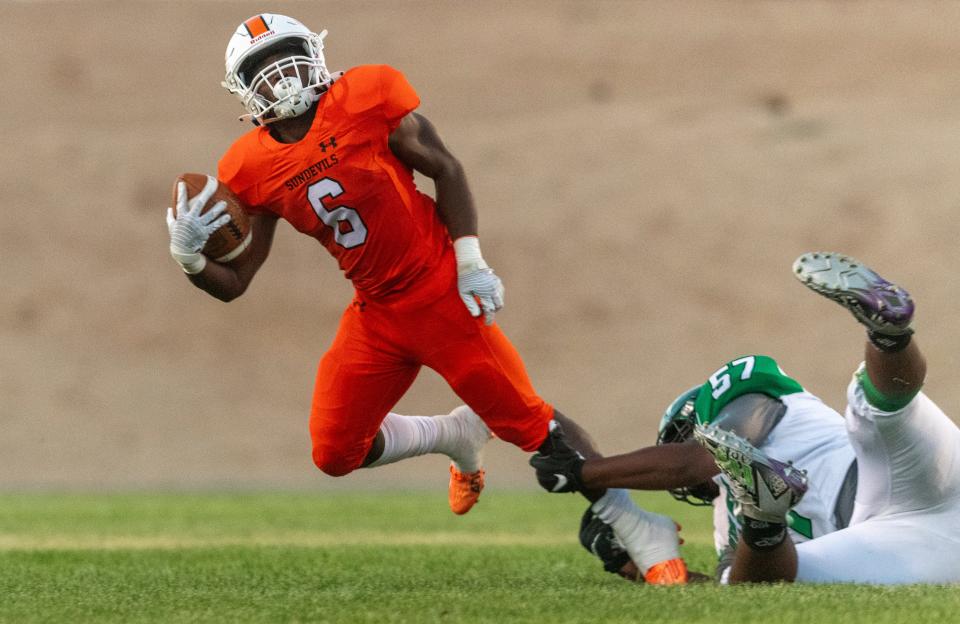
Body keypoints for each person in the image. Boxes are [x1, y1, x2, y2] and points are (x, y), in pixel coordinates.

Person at [164, 13, 686, 581]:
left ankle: (635, 522)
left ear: (312, 52)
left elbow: (445, 166)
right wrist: (191, 259)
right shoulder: (249, 166)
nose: (280, 73)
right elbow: (236, 283)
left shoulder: (364, 95)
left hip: (437, 290)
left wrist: (470, 259)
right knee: (335, 452)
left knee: (537, 435)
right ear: (243, 90)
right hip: (375, 311)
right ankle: (453, 433)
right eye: (261, 68)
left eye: (285, 54)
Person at [537, 252, 960, 584]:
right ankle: (766, 516)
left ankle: (887, 334)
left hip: (887, 481)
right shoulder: (726, 515)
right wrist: (639, 565)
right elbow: (737, 585)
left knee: (875, 413)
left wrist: (585, 472)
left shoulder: (753, 403)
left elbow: (700, 461)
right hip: (899, 541)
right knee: (753, 579)